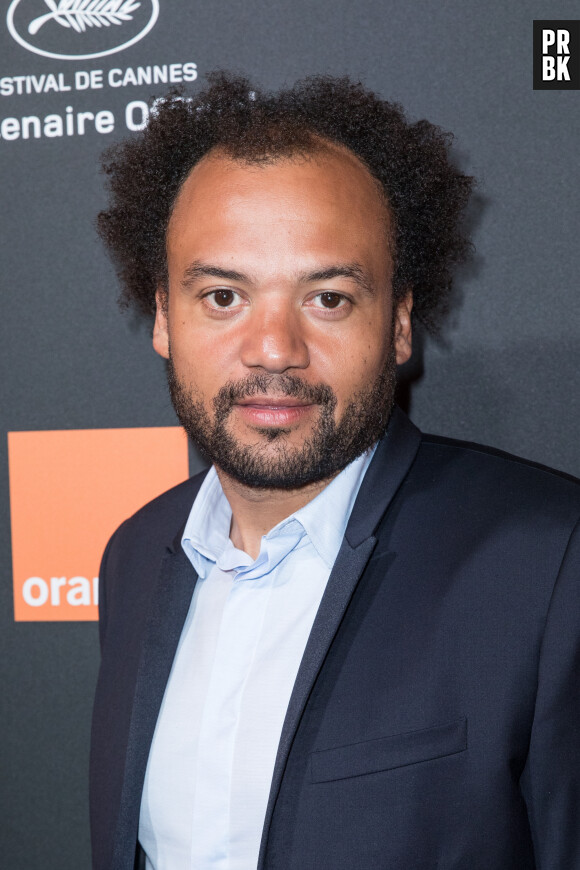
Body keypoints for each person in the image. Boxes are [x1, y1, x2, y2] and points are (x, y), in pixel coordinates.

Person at [90, 73, 580, 870]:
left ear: (398, 324)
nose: (274, 348)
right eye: (222, 296)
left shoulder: (550, 561)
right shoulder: (134, 555)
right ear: (161, 319)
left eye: (327, 299)